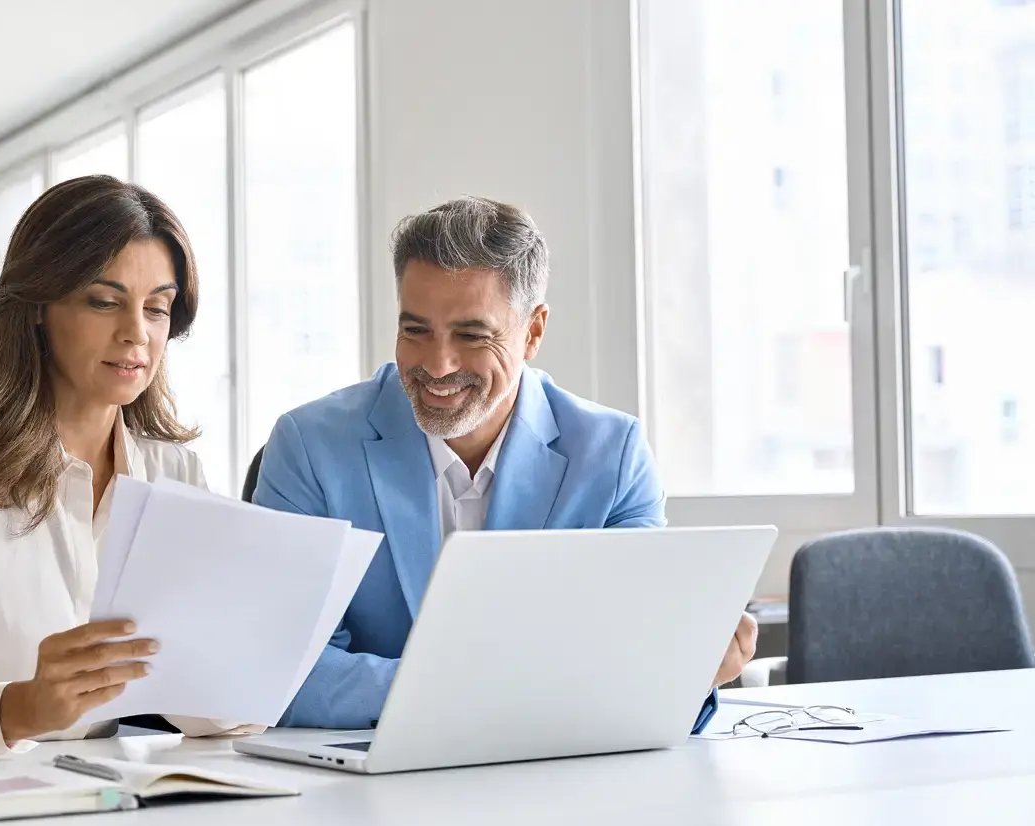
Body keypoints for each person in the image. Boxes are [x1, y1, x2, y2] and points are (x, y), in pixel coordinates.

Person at [253, 195, 756, 731]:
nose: (437, 365)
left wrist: (690, 669)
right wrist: (488, 690)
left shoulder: (612, 455)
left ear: (533, 331)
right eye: (415, 330)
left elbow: (635, 662)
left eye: (471, 335)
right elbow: (282, 668)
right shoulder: (309, 445)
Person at [0, 175, 255, 758]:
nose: (137, 333)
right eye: (104, 302)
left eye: (157, 309)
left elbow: (208, 704)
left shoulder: (175, 473)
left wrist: (240, 675)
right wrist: (19, 708)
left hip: (104, 792)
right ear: (37, 308)